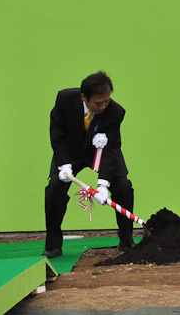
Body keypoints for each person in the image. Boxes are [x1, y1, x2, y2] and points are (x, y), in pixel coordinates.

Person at [43, 71, 134, 258]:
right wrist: (64, 164)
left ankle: (126, 240)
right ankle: (53, 244)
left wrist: (103, 184)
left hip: (100, 152)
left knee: (123, 187)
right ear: (84, 97)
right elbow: (57, 133)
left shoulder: (116, 112)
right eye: (98, 103)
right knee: (54, 188)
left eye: (106, 101)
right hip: (70, 151)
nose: (103, 106)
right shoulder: (64, 99)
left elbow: (112, 149)